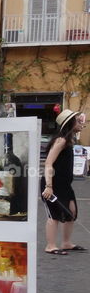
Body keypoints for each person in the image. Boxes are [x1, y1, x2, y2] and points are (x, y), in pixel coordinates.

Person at [42, 108, 86, 254]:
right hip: (53, 184)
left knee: (71, 212)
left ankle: (66, 243)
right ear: (70, 123)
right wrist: (49, 186)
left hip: (65, 185)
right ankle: (50, 246)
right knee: (54, 214)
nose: (82, 122)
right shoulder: (61, 140)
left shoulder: (69, 140)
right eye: (78, 120)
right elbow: (48, 163)